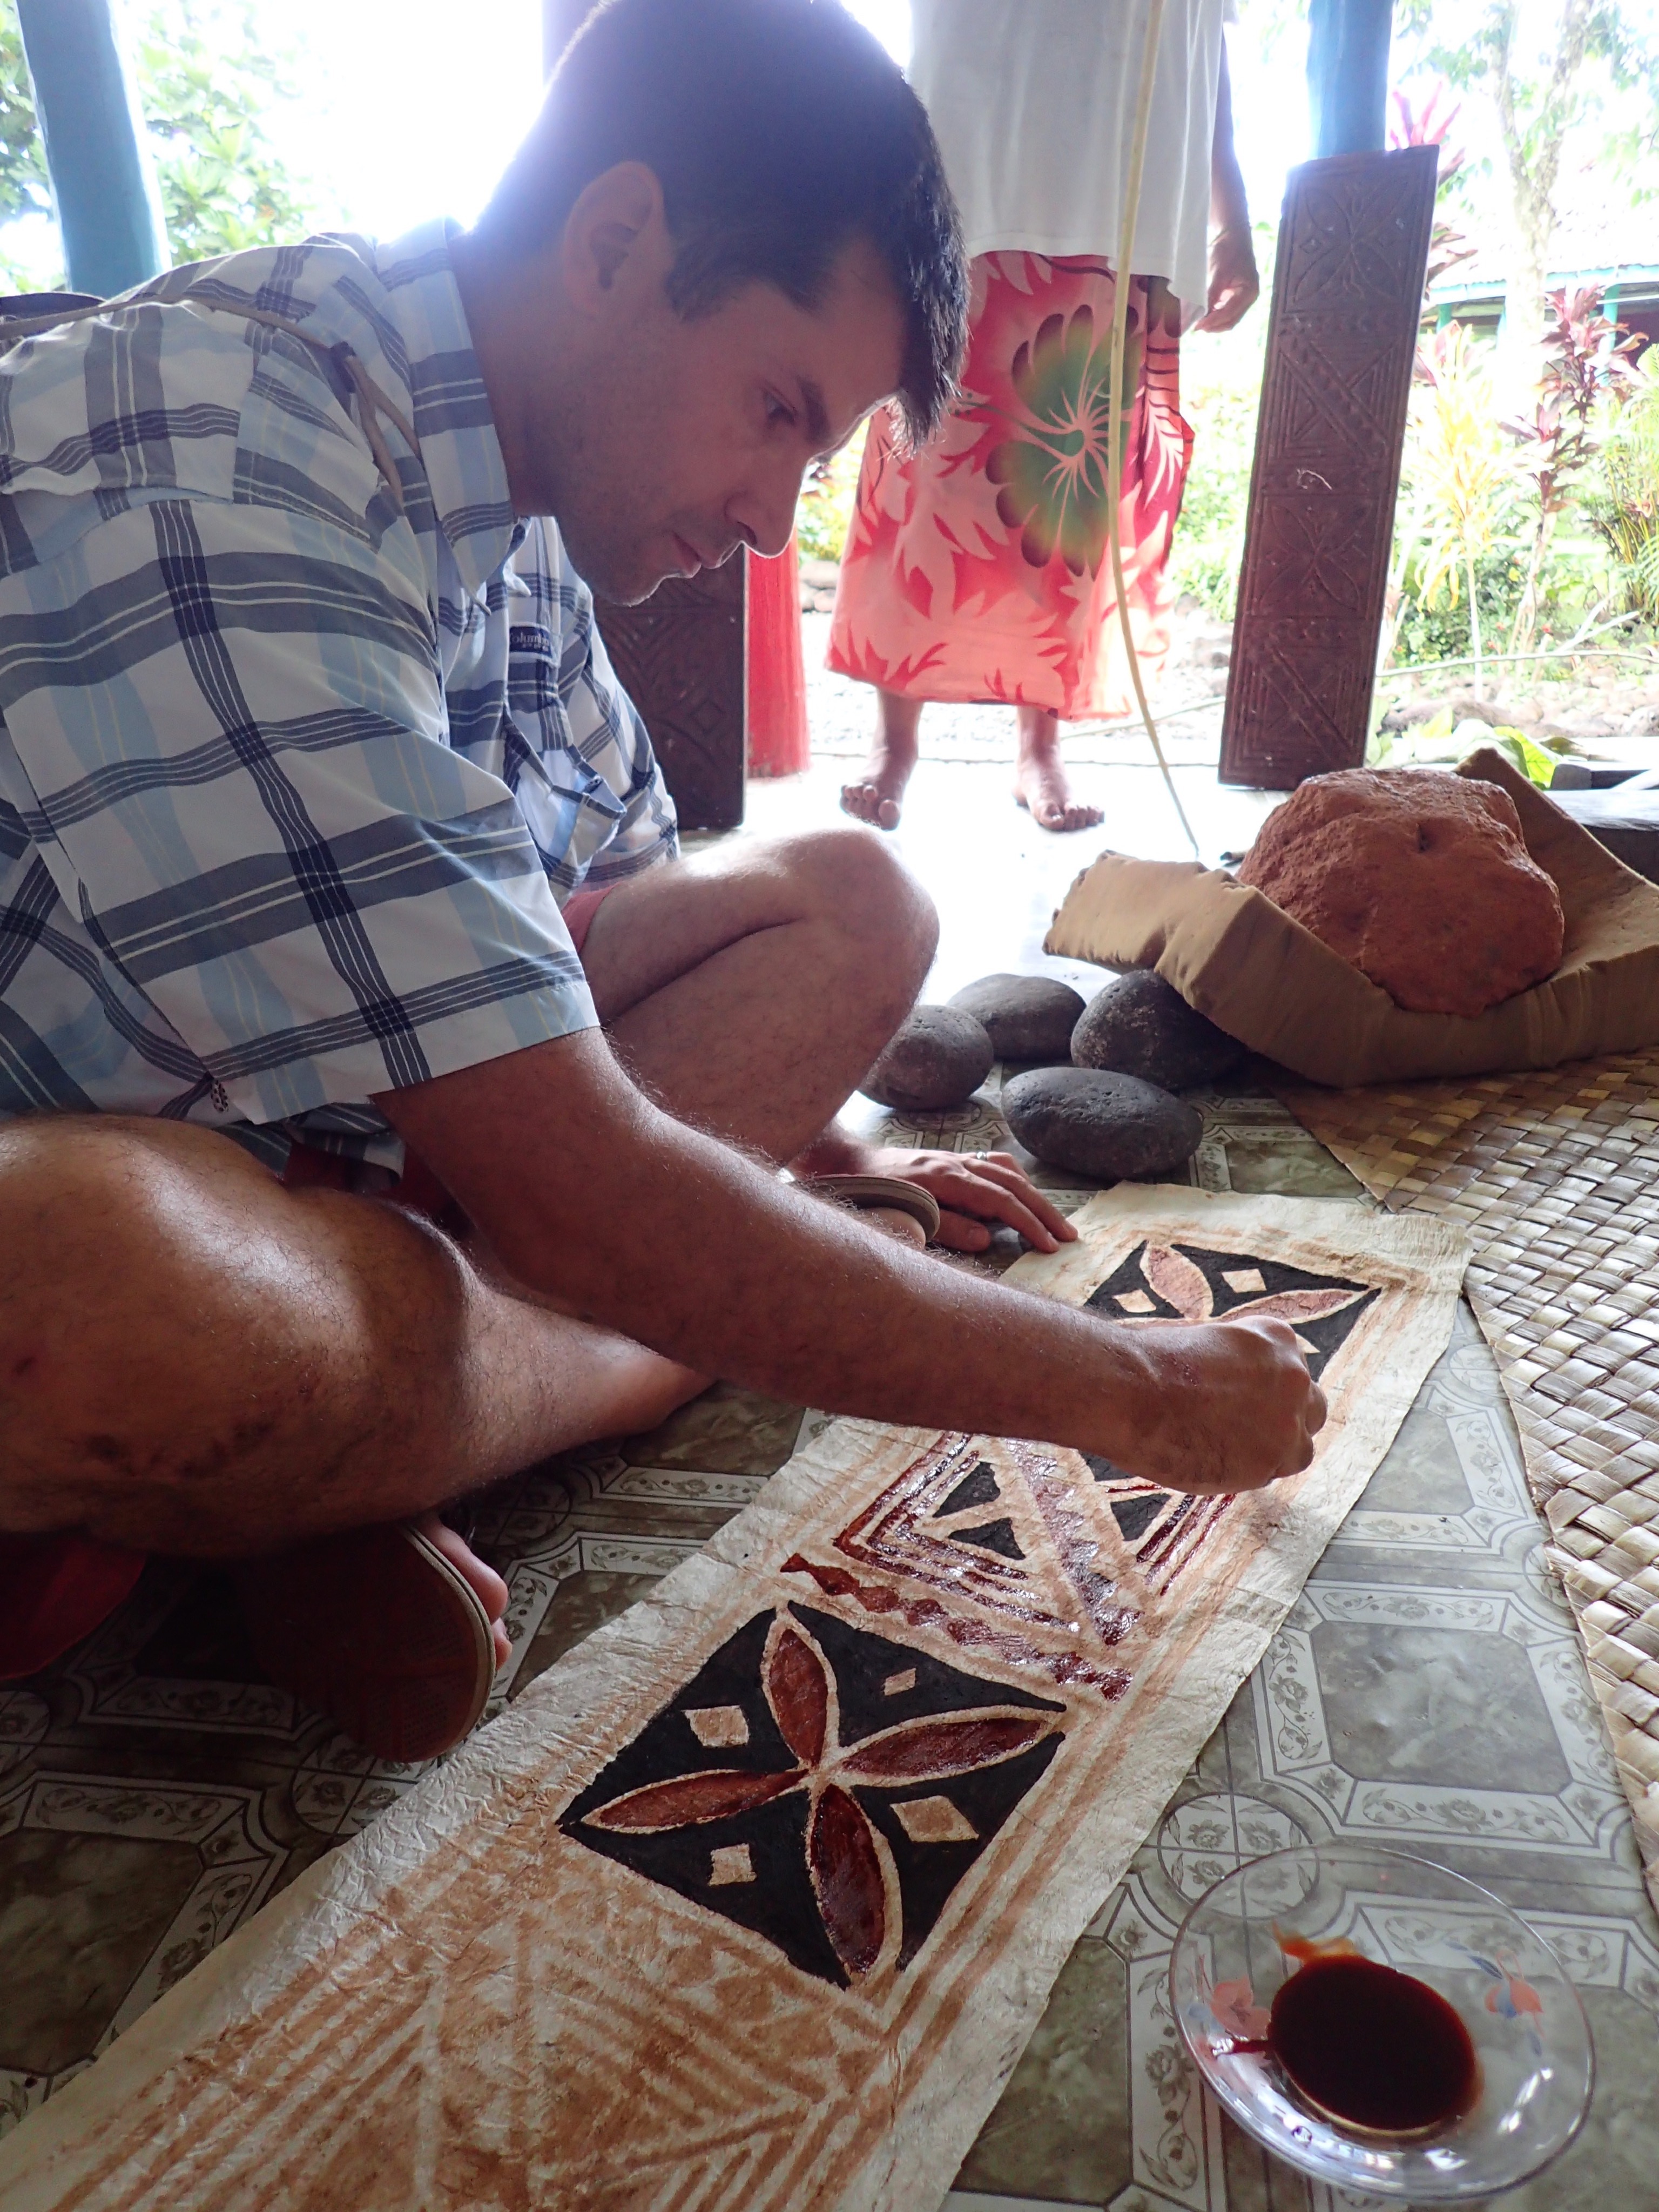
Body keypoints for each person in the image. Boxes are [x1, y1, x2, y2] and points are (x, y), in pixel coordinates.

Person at [0, 0, 1320, 1761]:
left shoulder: (523, 487)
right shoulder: (231, 460)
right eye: (776, 409)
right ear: (615, 240)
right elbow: (578, 1186)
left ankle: (353, 1451)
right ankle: (563, 1381)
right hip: (95, 1152)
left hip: (338, 1145)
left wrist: (811, 1163)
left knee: (858, 903)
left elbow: (617, 909)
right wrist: (1130, 1391)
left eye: (817, 449)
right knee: (90, 1294)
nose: (778, 516)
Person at [834, 0, 1260, 834]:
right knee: (930, 453)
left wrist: (1230, 210)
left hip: (1125, 180)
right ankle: (896, 742)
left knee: (1067, 478)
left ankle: (1040, 747)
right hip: (970, 144)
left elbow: (1201, 39)